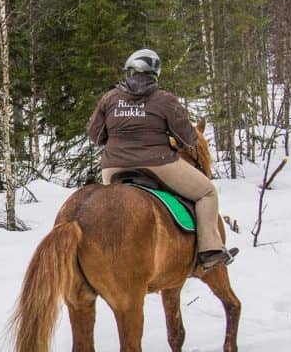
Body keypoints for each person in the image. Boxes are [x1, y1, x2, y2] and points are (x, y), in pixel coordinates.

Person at [86, 48, 235, 270]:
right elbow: (188, 139)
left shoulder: (109, 99)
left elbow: (95, 136)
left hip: (113, 168)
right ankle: (210, 251)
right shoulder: (164, 100)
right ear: (155, 74)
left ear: (129, 71)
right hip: (157, 165)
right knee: (207, 192)